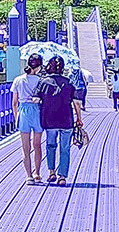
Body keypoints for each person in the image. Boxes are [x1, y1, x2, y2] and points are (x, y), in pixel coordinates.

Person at [38, 55, 84, 185]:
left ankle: (51, 172)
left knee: (51, 145)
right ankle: (62, 176)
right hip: (66, 119)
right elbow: (76, 102)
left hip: (49, 119)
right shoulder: (69, 82)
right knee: (65, 149)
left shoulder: (43, 82)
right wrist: (79, 118)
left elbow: (36, 98)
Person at [10, 52, 44, 183]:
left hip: (23, 111)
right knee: (37, 145)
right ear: (39, 67)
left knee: (25, 147)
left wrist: (16, 117)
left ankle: (28, 175)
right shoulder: (41, 81)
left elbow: (14, 102)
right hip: (37, 111)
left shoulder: (18, 80)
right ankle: (37, 173)